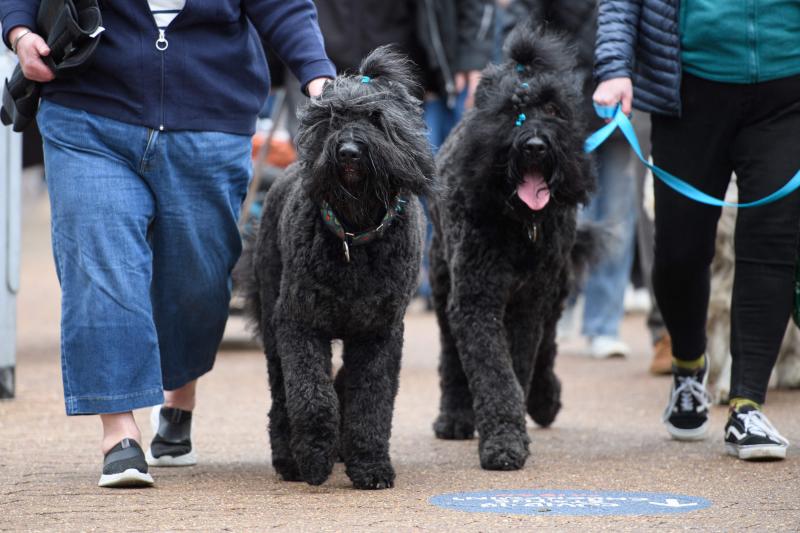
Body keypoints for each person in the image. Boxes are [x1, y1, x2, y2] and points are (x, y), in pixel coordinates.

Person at [1, 0, 335, 486]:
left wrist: (317, 76)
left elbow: (282, 6)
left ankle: (180, 395)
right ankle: (119, 434)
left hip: (210, 118)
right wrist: (19, 33)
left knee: (197, 280)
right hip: (90, 108)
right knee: (102, 264)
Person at [594, 0, 800, 459]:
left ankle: (748, 404)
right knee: (679, 252)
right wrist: (614, 66)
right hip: (690, 90)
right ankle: (688, 364)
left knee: (771, 241)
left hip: (787, 90)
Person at [313, 0, 495, 305]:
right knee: (322, 195)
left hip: (406, 77)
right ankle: (328, 296)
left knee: (415, 187)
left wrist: (466, 58)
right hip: (323, 71)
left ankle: (415, 281)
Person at [503, 0, 638, 359]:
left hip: (621, 97)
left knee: (617, 213)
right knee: (558, 214)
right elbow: (521, 19)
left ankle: (603, 324)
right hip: (557, 107)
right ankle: (557, 308)